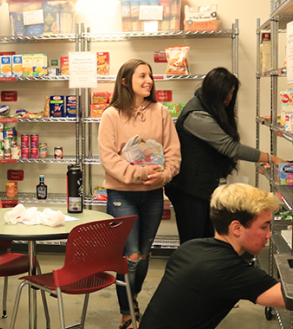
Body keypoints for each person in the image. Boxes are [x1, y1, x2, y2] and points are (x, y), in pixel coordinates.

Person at [98, 59, 181, 329]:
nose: (149, 81)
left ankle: (132, 298)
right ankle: (126, 312)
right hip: (122, 195)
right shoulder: (111, 115)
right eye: (142, 76)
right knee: (130, 255)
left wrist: (165, 174)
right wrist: (141, 174)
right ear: (125, 82)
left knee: (144, 254)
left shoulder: (162, 112)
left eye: (150, 76)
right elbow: (109, 158)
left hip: (154, 195)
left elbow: (173, 153)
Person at [139, 183, 286, 329]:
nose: (269, 234)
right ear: (237, 228)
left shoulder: (191, 247)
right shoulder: (227, 270)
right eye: (263, 227)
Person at [164, 67, 284, 244]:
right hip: (188, 189)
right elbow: (230, 148)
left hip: (200, 187)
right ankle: (192, 272)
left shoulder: (207, 107)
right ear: (214, 92)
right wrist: (271, 158)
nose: (229, 99)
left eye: (232, 93)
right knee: (193, 242)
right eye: (226, 94)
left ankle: (204, 271)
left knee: (204, 239)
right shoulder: (196, 116)